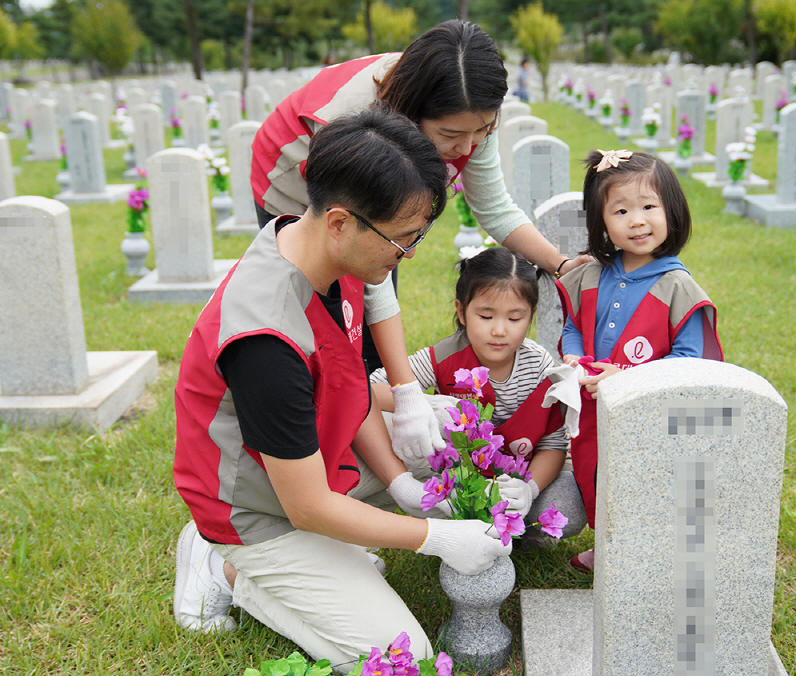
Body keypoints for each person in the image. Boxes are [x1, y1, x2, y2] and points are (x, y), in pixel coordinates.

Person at [171, 108, 511, 668]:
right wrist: (433, 537)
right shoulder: (267, 341)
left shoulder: (326, 254)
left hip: (311, 461)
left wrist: (405, 467)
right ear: (339, 222)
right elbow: (304, 507)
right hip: (264, 512)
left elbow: (343, 388)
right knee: (405, 659)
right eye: (402, 240)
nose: (410, 254)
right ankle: (228, 568)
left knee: (454, 426)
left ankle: (330, 557)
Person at [251, 19, 590, 465]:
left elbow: (495, 208)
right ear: (412, 112)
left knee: (366, 334)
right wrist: (408, 392)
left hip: (372, 213)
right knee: (323, 318)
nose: (466, 146)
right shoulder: (353, 123)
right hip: (291, 185)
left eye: (482, 130)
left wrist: (562, 265)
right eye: (450, 136)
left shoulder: (468, 112)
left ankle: (364, 433)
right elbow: (369, 259)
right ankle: (312, 443)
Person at [557, 150, 723, 572]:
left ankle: (643, 551)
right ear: (601, 222)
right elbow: (574, 325)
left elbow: (691, 361)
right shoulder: (592, 275)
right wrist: (575, 357)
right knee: (599, 473)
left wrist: (628, 376)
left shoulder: (677, 286)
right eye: (621, 210)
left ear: (673, 212)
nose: (637, 220)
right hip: (596, 407)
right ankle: (610, 545)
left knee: (647, 481)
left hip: (653, 416)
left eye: (649, 207)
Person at [369, 247, 585, 546]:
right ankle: (466, 535)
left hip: (519, 480)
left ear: (531, 316)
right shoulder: (444, 356)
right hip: (464, 481)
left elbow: (554, 445)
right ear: (461, 311)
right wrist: (420, 402)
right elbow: (369, 390)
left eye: (514, 318)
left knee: (569, 507)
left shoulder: (540, 367)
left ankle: (519, 532)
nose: (499, 330)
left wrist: (529, 490)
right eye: (485, 315)